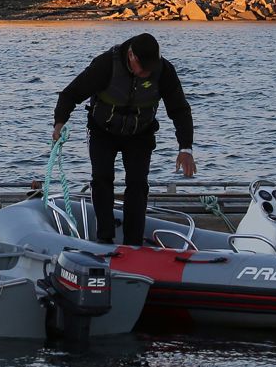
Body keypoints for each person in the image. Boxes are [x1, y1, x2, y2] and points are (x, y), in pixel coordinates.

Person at [53, 33, 195, 246]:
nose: (147, 73)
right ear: (131, 56)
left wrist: (186, 148)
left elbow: (180, 110)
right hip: (103, 130)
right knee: (102, 178)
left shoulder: (163, 71)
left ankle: (133, 241)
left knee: (137, 183)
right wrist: (59, 123)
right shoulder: (105, 65)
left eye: (151, 67)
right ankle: (105, 237)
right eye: (143, 67)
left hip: (140, 133)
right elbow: (70, 94)